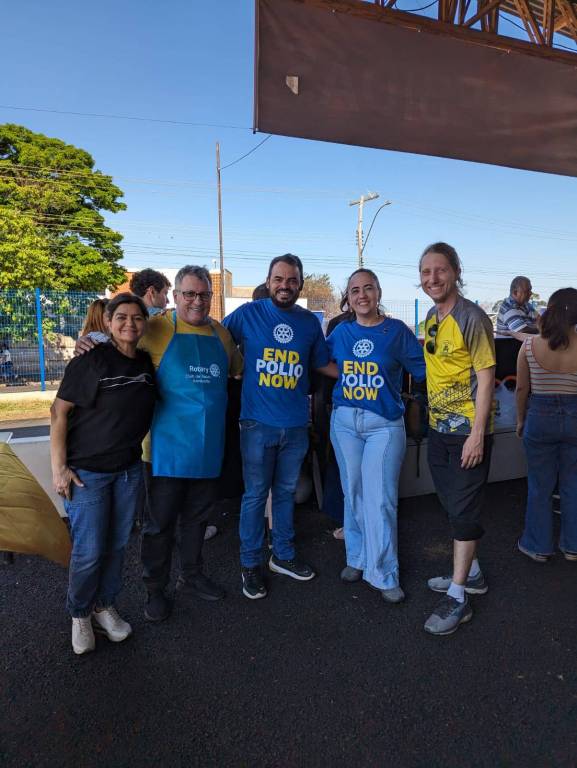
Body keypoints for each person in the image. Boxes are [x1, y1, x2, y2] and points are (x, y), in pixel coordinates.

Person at [74, 266, 243, 622]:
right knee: (159, 525)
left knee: (197, 521)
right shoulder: (154, 328)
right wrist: (88, 342)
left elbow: (236, 370)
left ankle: (192, 575)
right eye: (189, 294)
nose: (197, 301)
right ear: (176, 296)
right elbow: (118, 343)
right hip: (164, 450)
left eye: (204, 294)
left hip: (208, 448)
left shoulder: (222, 335)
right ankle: (155, 589)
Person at [223, 253, 336, 600]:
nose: (285, 285)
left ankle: (283, 555)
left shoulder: (308, 323)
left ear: (300, 284)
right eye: (278, 279)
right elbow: (214, 338)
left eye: (291, 280)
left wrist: (369, 369)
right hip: (257, 424)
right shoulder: (248, 314)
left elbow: (323, 364)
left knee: (285, 494)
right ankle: (250, 564)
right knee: (256, 496)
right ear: (268, 281)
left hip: (296, 425)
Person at [50, 293, 156, 655]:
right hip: (87, 474)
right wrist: (59, 469)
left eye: (137, 317)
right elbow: (58, 412)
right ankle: (80, 613)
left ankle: (103, 606)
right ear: (108, 322)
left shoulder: (145, 362)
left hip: (127, 471)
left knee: (117, 545)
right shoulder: (91, 360)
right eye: (121, 317)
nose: (130, 324)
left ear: (145, 323)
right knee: (89, 551)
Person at [327, 269, 426, 603]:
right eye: (355, 290)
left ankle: (383, 572)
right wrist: (345, 374)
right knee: (352, 491)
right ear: (348, 297)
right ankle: (357, 557)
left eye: (368, 288)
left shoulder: (396, 331)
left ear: (379, 292)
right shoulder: (341, 332)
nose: (362, 295)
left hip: (384, 424)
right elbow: (322, 361)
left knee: (380, 498)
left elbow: (423, 368)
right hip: (344, 422)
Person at [419, 242, 496, 636]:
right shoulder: (431, 318)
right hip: (438, 429)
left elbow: (486, 377)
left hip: (467, 431)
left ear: (455, 272)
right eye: (426, 271)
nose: (432, 278)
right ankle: (473, 573)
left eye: (440, 270)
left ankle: (458, 595)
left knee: (464, 511)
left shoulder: (473, 318)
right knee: (451, 504)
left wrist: (478, 434)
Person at [515, 288, 577, 563]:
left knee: (539, 485)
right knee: (573, 483)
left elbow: (521, 389)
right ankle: (572, 546)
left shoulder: (529, 345)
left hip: (539, 418)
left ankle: (538, 545)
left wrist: (520, 420)